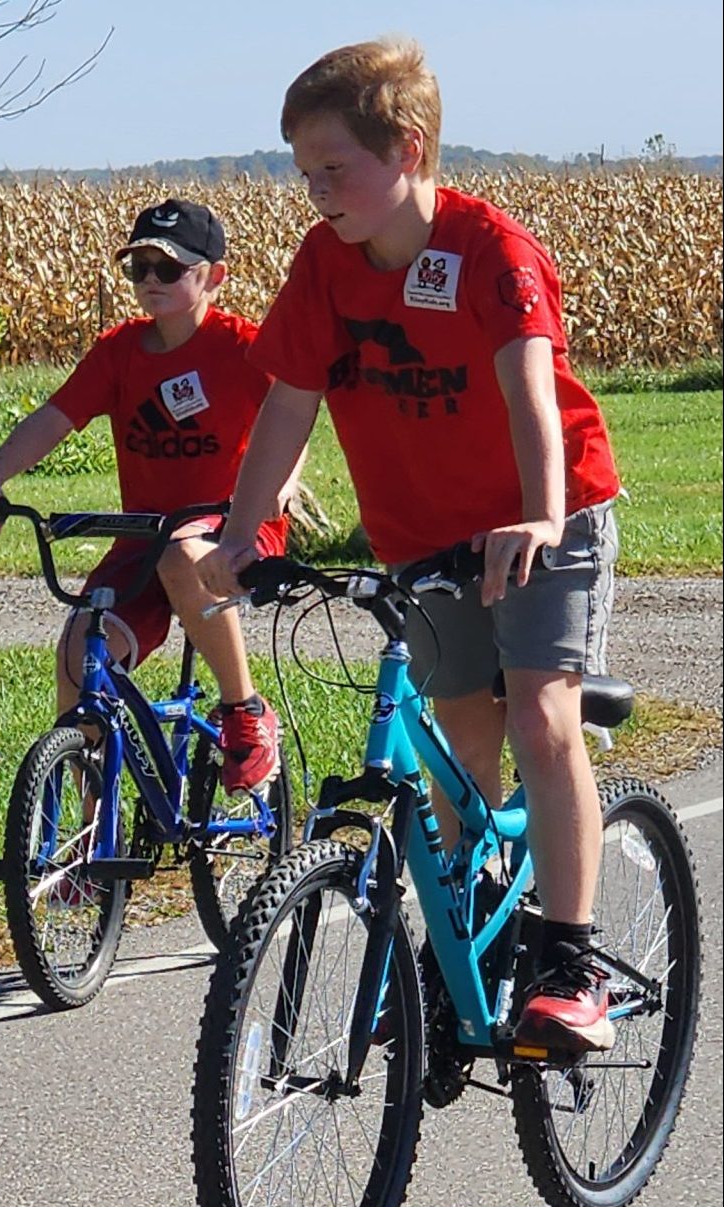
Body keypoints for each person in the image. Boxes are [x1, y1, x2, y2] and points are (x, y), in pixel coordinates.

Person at [199, 39, 623, 1052]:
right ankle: (459, 946)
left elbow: (528, 391)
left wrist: (534, 513)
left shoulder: (491, 252)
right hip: (421, 537)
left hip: (542, 511)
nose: (314, 189)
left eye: (332, 167)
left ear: (409, 149)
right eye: (301, 169)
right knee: (454, 735)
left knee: (535, 714)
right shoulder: (324, 265)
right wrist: (237, 535)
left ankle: (568, 961)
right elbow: (286, 407)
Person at [0, 198, 294, 794]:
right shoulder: (120, 351)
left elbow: (291, 419)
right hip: (147, 535)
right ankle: (89, 836)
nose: (149, 281)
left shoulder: (242, 345)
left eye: (168, 269)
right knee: (78, 653)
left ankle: (244, 711)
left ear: (213, 276)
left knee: (184, 556)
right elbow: (53, 418)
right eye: (138, 268)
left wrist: (279, 486)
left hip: (232, 527)